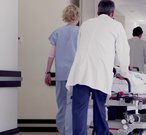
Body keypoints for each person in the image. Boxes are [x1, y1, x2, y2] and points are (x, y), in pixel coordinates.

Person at [66, 0, 130, 135]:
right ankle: (102, 133)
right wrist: (124, 72)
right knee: (99, 107)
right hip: (100, 71)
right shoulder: (116, 26)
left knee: (78, 109)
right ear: (112, 13)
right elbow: (123, 51)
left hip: (80, 71)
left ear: (97, 12)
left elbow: (80, 46)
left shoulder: (85, 24)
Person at [44, 4, 79, 135]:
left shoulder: (57, 32)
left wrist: (47, 72)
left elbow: (51, 55)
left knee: (62, 106)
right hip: (75, 76)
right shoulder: (81, 32)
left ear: (65, 16)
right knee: (71, 105)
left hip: (60, 75)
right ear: (77, 16)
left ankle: (62, 131)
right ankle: (69, 132)